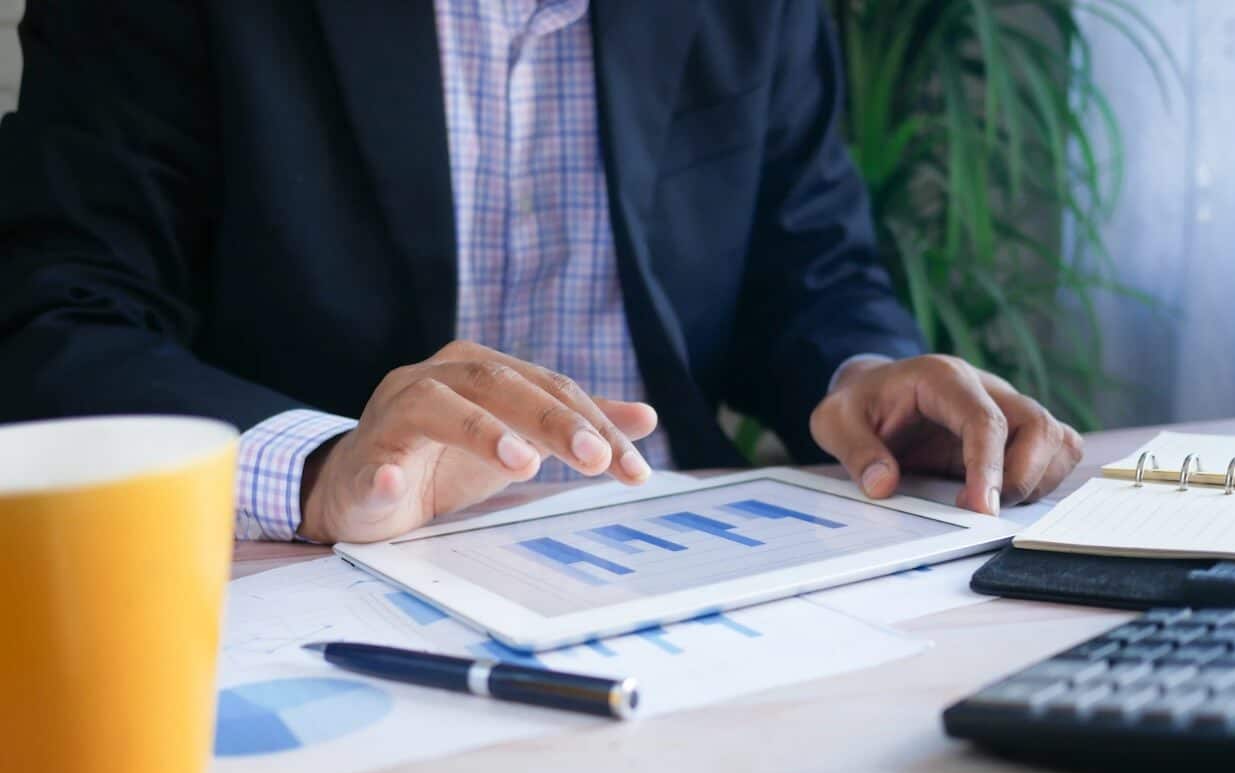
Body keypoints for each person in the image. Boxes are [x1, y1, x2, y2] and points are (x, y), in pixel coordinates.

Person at [0, 0, 1082, 544]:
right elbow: (54, 317)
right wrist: (324, 469)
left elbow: (805, 263)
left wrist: (868, 374)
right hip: (311, 581)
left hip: (677, 568)